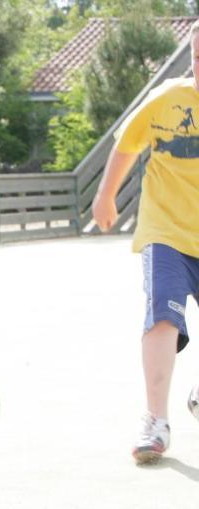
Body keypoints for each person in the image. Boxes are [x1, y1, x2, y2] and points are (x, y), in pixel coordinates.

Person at [91, 23, 199, 464]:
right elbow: (127, 145)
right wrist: (104, 193)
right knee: (161, 317)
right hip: (166, 230)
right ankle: (156, 421)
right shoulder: (167, 100)